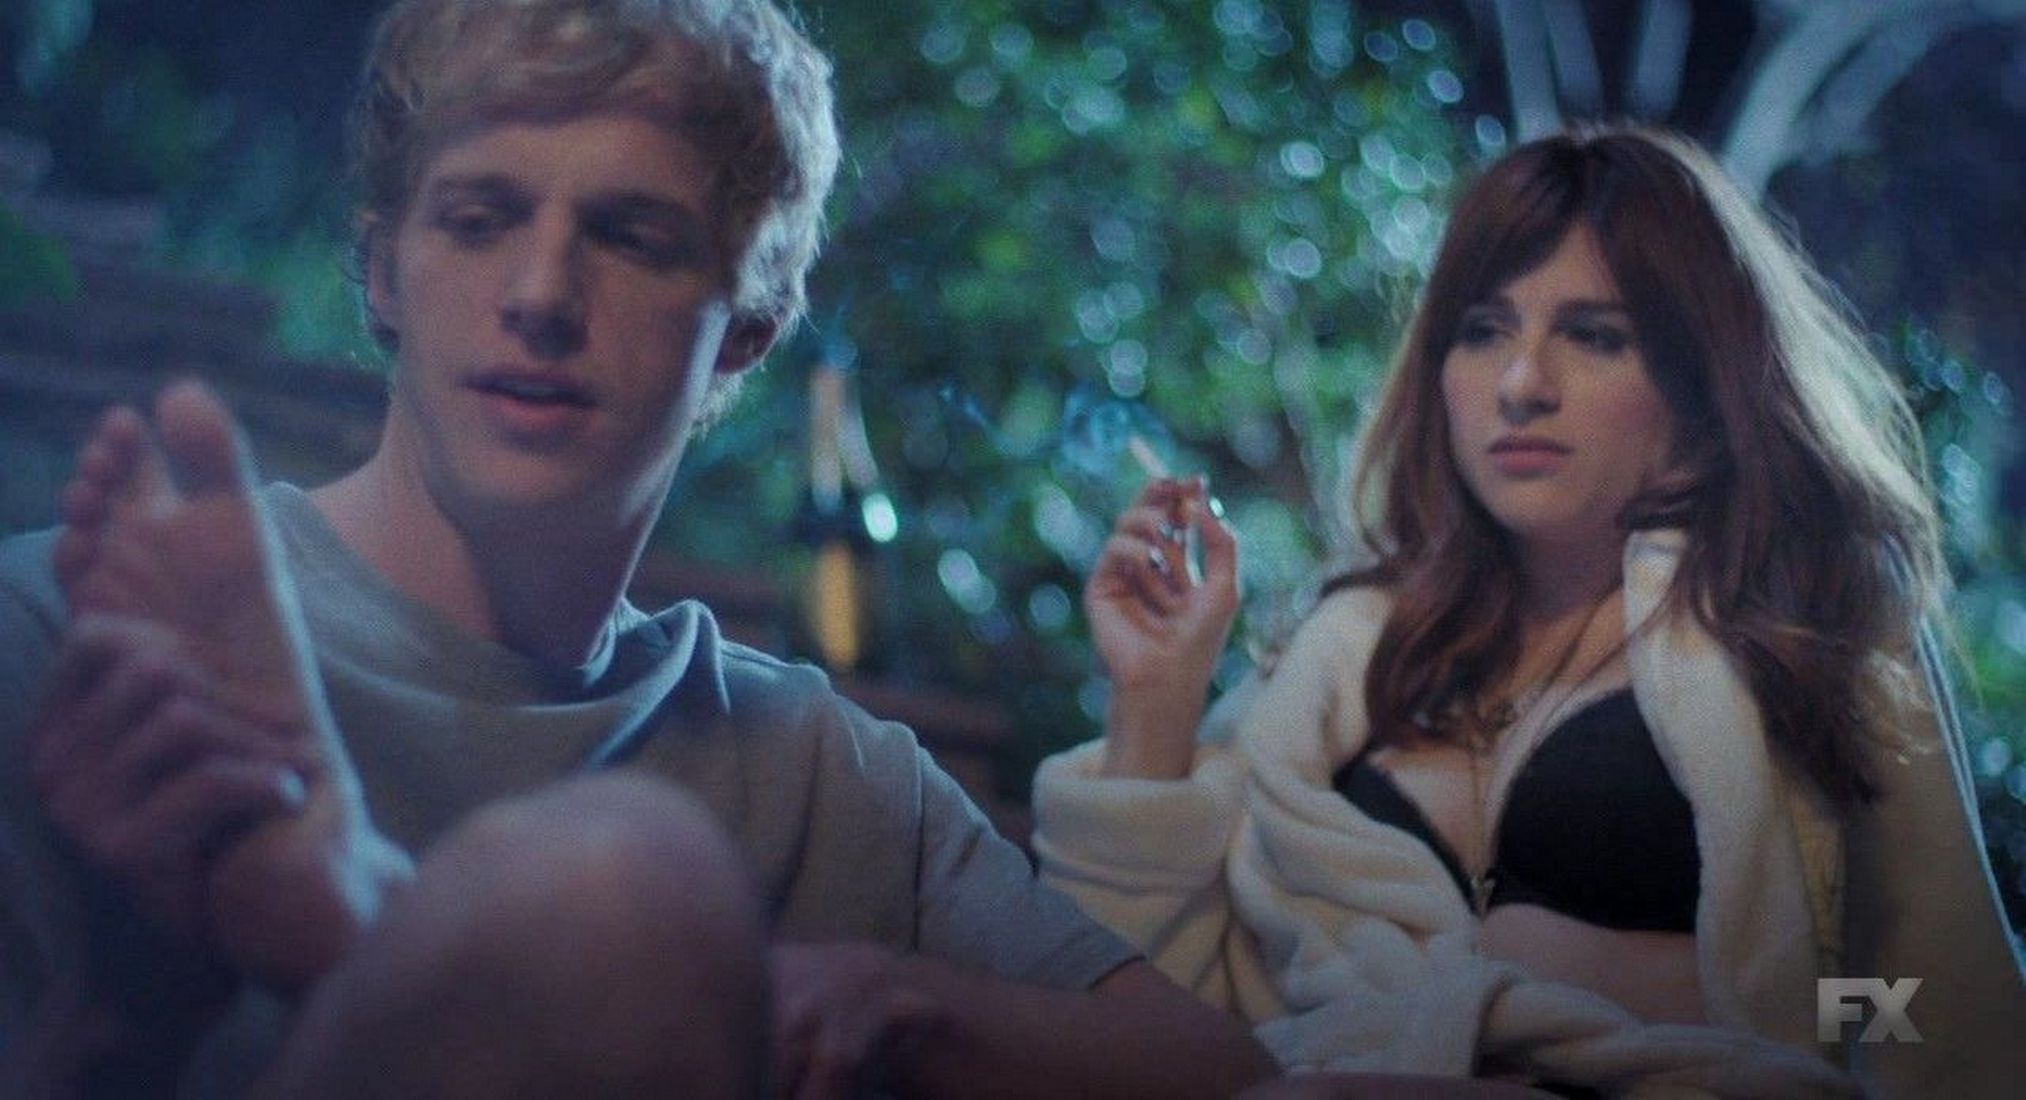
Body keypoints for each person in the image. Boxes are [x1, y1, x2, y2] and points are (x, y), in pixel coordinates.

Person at [0, 0, 1283, 1095]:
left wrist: (901, 1000)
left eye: (631, 236)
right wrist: (124, 1010)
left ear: (747, 328)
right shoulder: (85, 636)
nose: (540, 296)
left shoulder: (818, 768)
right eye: (479, 218)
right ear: (383, 268)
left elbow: (1226, 1074)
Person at [1033, 125, 2026, 1096]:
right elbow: (1127, 1015)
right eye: (1483, 331)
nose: (1521, 385)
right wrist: (1155, 697)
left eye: (1594, 336)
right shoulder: (1344, 654)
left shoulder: (1805, 623)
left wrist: (1722, 1001)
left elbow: (1936, 1012)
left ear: (1700, 376)